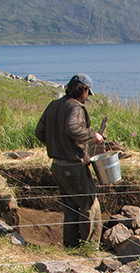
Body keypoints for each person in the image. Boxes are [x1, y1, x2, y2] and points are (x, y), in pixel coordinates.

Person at [35, 73, 104, 248]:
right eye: (87, 93)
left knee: (71, 208)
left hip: (57, 166)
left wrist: (56, 145)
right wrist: (92, 136)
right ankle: (90, 248)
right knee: (90, 205)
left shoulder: (53, 105)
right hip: (73, 166)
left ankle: (71, 246)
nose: (87, 97)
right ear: (84, 90)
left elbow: (39, 132)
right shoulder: (75, 107)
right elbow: (72, 128)